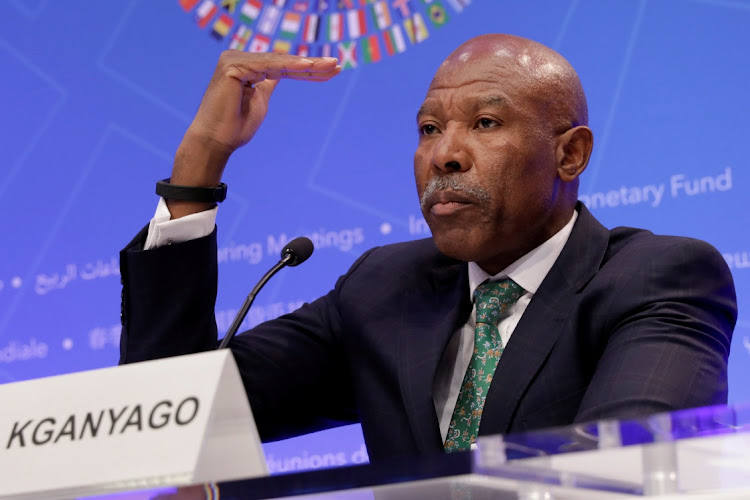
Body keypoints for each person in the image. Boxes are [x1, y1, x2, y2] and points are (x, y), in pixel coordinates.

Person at [120, 34, 737, 462]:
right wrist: (199, 162)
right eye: (429, 128)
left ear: (569, 154)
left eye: (486, 124)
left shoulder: (659, 277)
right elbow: (167, 417)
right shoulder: (384, 290)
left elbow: (625, 476)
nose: (445, 153)